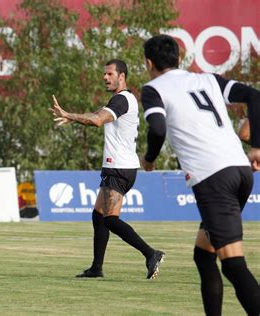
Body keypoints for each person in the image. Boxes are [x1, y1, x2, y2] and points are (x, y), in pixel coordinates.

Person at [140, 34, 260, 315]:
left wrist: (149, 159)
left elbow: (157, 129)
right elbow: (254, 96)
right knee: (204, 256)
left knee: (233, 264)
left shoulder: (153, 89)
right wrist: (256, 147)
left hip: (214, 178)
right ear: (178, 59)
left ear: (148, 63)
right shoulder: (207, 79)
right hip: (240, 171)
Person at [50, 59, 165, 280]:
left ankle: (151, 254)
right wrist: (73, 119)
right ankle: (96, 268)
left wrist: (68, 114)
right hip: (119, 167)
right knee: (98, 216)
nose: (105, 77)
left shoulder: (122, 99)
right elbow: (96, 116)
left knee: (110, 219)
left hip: (119, 168)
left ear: (121, 76)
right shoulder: (120, 100)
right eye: (104, 74)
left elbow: (96, 121)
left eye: (110, 74)